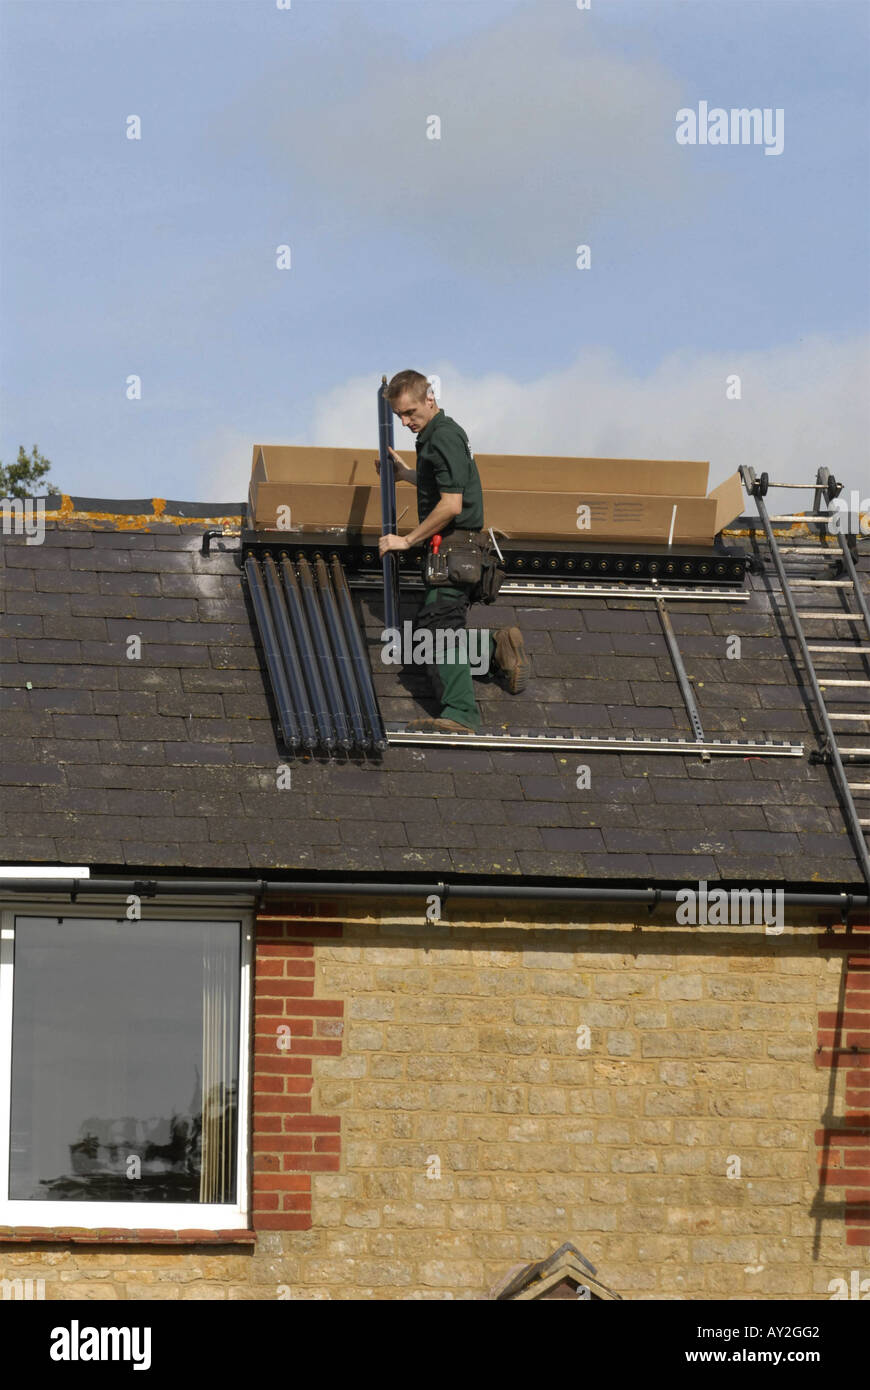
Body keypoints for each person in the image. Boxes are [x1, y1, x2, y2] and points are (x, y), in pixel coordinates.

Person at [376, 369, 528, 733]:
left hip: (452, 550)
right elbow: (444, 481)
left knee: (438, 629)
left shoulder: (442, 436)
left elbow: (452, 504)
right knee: (429, 633)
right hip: (455, 550)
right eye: (399, 416)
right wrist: (407, 475)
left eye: (410, 412)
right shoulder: (437, 435)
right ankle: (495, 648)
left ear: (430, 398)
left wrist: (406, 540)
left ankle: (461, 713)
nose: (405, 421)